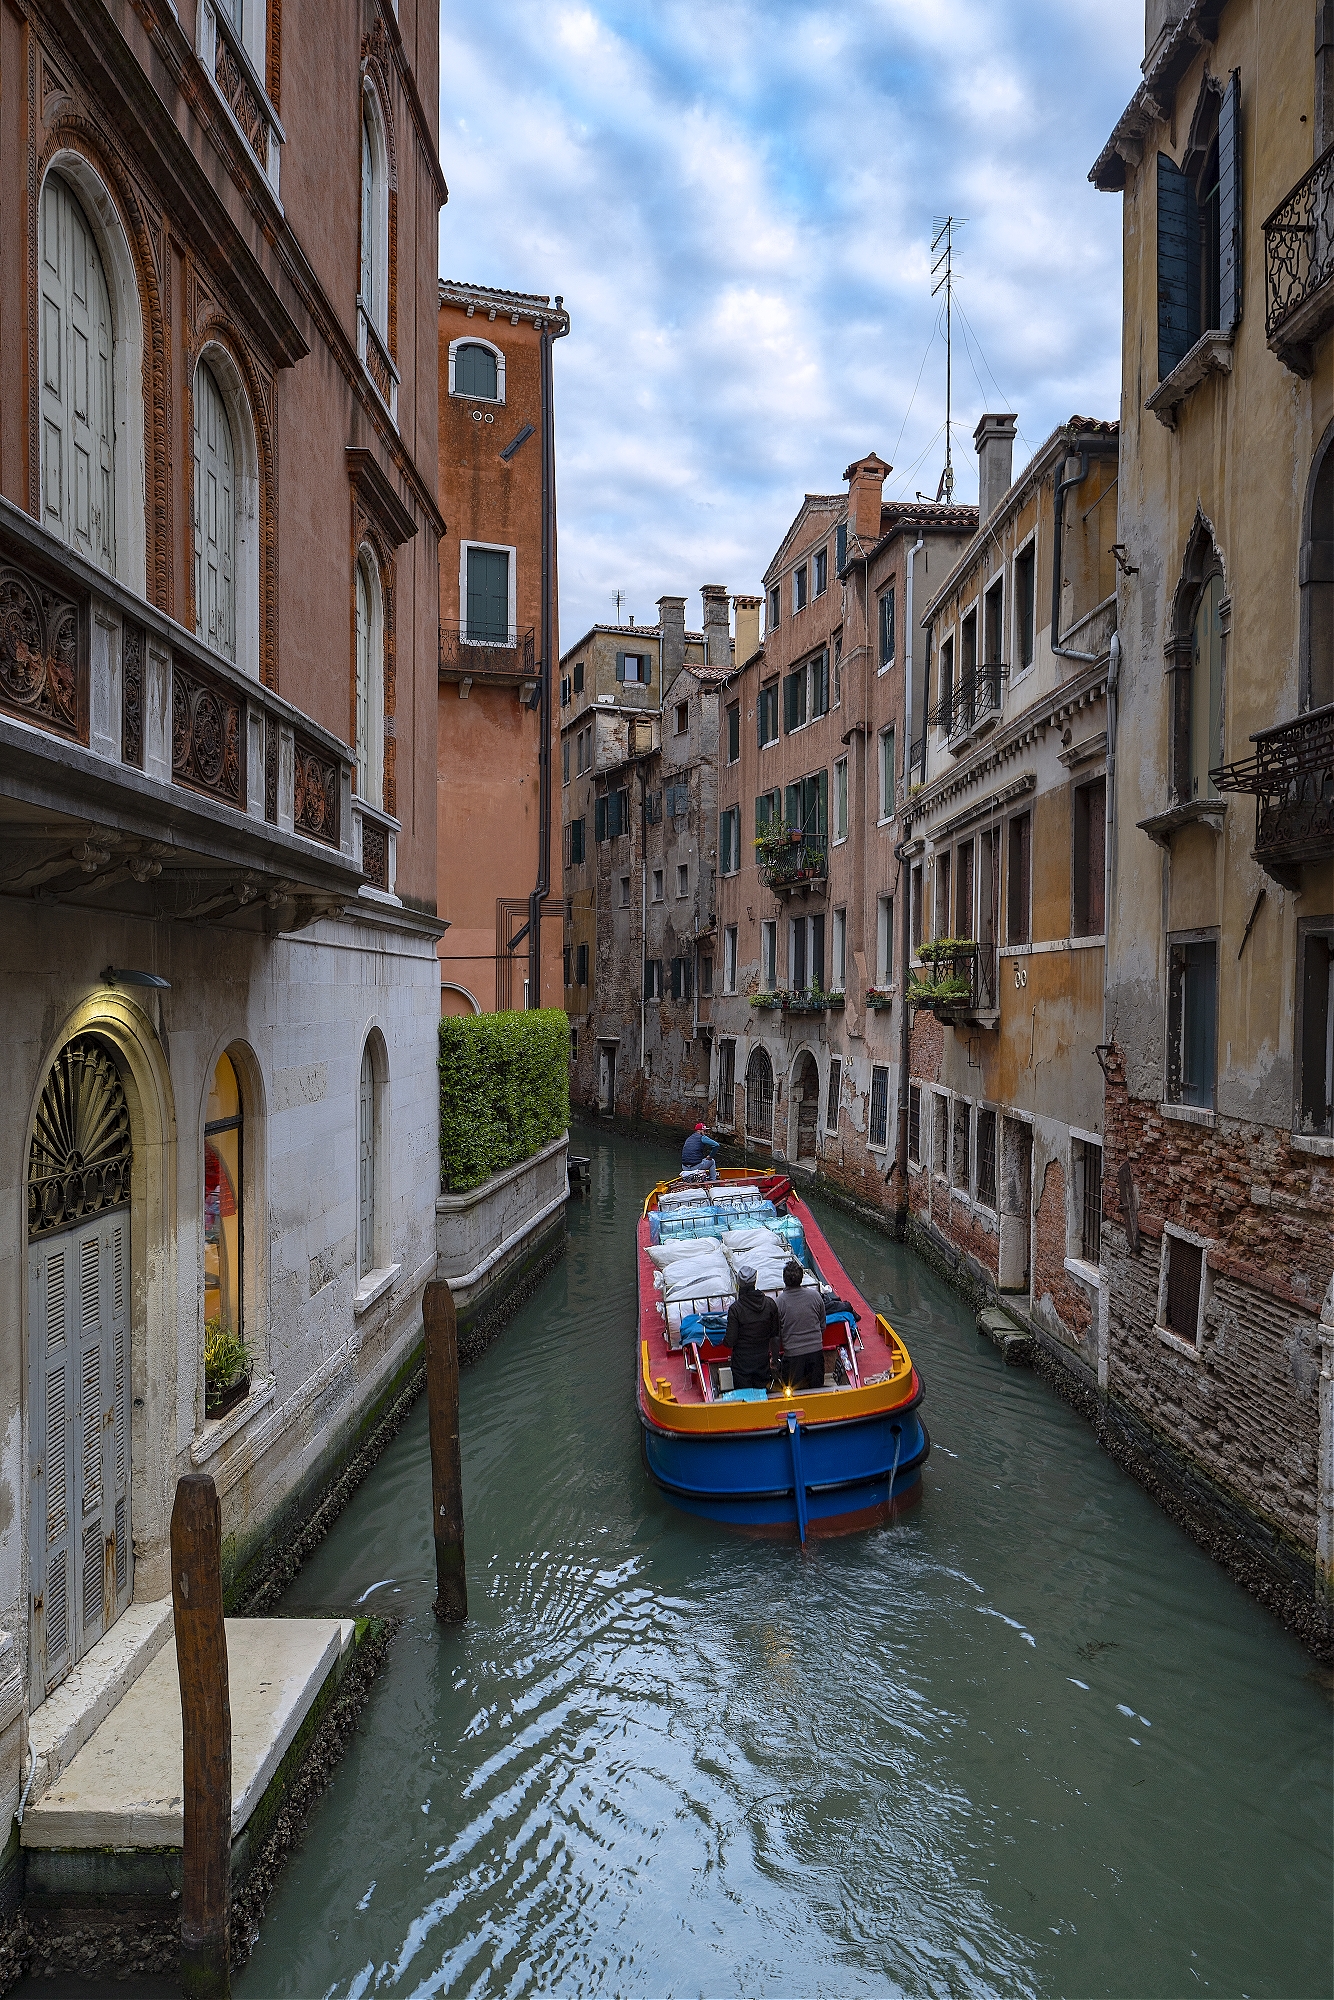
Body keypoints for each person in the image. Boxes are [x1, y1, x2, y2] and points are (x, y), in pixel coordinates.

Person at [725, 1264, 781, 1390]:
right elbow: (775, 1335)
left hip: (741, 1364)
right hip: (762, 1362)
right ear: (755, 1282)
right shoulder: (770, 1304)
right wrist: (775, 1358)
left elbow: (730, 1341)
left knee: (744, 1399)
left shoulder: (736, 1309)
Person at [776, 1258, 826, 1391]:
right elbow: (822, 1325)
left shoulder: (779, 1303)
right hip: (816, 1353)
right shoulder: (815, 1296)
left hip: (792, 1356)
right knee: (817, 1391)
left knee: (794, 1393)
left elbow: (776, 1334)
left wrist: (775, 1359)